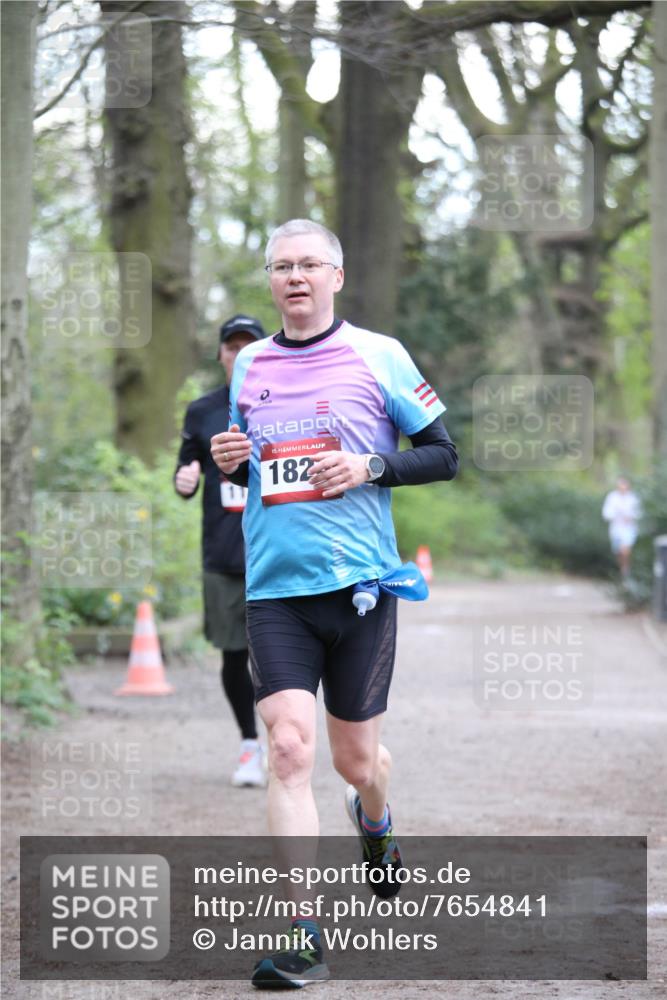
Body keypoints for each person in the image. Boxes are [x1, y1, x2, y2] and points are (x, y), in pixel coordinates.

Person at [211, 220, 458, 988]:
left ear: (336, 276)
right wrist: (231, 462)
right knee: (288, 749)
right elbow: (243, 472)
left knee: (355, 762)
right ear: (271, 278)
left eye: (309, 264)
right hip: (275, 591)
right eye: (281, 265)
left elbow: (444, 455)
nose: (294, 277)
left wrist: (369, 465)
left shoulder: (379, 354)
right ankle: (303, 934)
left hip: (357, 590)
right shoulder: (248, 363)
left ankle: (375, 822)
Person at [175, 314, 267, 787]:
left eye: (247, 345)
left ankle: (287, 739)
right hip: (225, 553)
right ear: (220, 354)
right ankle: (250, 743)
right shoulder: (202, 411)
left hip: (276, 551)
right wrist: (184, 479)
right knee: (235, 655)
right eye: (230, 346)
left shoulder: (280, 401)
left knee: (278, 656)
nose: (238, 353)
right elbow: (185, 468)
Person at [602, 476, 641, 577]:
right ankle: (622, 571)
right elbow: (606, 514)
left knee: (625, 550)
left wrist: (631, 517)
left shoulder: (633, 498)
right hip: (616, 529)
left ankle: (626, 573)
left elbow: (639, 513)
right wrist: (616, 514)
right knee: (618, 552)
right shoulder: (612, 497)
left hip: (629, 529)